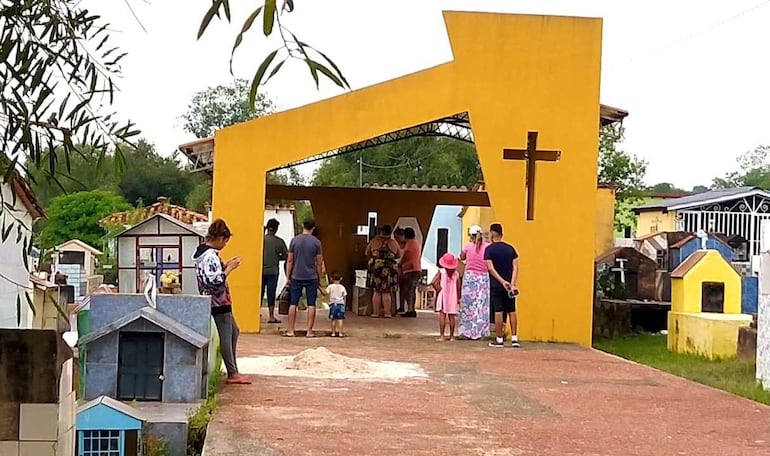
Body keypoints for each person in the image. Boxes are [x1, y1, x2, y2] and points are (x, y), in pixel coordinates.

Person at [193, 219, 251, 384]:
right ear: (219, 238)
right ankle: (232, 372)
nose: (225, 244)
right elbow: (215, 280)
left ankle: (233, 369)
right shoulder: (210, 256)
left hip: (215, 300)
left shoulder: (202, 254)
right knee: (227, 335)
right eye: (225, 240)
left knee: (233, 331)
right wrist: (229, 268)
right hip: (219, 301)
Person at [286, 218, 324, 337]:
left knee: (293, 303)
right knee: (311, 304)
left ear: (303, 225)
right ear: (313, 227)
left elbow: (290, 260)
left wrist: (288, 277)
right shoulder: (317, 243)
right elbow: (319, 262)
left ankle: (291, 330)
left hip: (296, 275)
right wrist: (319, 277)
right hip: (311, 276)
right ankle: (309, 331)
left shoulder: (294, 241)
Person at [484, 223, 520, 348]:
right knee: (512, 310)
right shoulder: (511, 249)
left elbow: (490, 268)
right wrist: (512, 283)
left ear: (492, 233)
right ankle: (515, 338)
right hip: (510, 286)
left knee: (498, 311)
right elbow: (515, 267)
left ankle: (499, 339)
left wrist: (501, 281)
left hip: (496, 285)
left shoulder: (489, 250)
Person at [458, 225, 491, 340]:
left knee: (468, 305)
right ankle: (480, 332)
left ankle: (467, 331)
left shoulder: (467, 247)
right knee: (481, 305)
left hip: (470, 276)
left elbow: (461, 257)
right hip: (483, 277)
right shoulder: (487, 247)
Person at [365, 224, 401, 318]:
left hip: (376, 266)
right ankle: (387, 313)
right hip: (388, 268)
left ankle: (376, 312)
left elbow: (367, 252)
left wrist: (374, 260)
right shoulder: (393, 243)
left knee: (376, 291)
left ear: (381, 231)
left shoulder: (374, 241)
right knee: (386, 292)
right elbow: (398, 255)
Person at [262, 218, 287, 324]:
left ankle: (256, 313)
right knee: (271, 293)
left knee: (259, 293)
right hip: (273, 271)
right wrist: (278, 257)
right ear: (276, 229)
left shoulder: (261, 240)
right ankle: (271, 316)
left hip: (260, 271)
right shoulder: (279, 242)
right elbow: (286, 256)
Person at [431, 253, 461, 341]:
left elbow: (433, 282)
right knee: (452, 317)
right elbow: (458, 287)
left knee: (442, 316)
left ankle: (442, 336)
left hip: (443, 295)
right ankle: (451, 336)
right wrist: (458, 297)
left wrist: (439, 289)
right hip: (453, 296)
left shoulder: (441, 272)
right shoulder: (456, 274)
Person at [399, 227, 421, 318]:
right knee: (411, 290)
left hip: (410, 269)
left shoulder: (409, 244)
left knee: (408, 290)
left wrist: (400, 263)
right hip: (416, 268)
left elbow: (406, 256)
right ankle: (411, 309)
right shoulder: (415, 243)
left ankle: (410, 309)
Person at [326, 271, 348, 337]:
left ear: (331, 278)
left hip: (333, 305)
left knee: (333, 319)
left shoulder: (330, 286)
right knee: (340, 319)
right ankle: (340, 333)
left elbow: (326, 293)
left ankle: (333, 333)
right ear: (341, 278)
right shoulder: (342, 287)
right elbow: (344, 296)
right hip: (341, 304)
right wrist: (344, 305)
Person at [393, 227, 407, 313]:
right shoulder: (396, 244)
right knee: (398, 288)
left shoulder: (407, 245)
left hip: (404, 268)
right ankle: (399, 306)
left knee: (405, 289)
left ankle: (403, 306)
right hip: (398, 268)